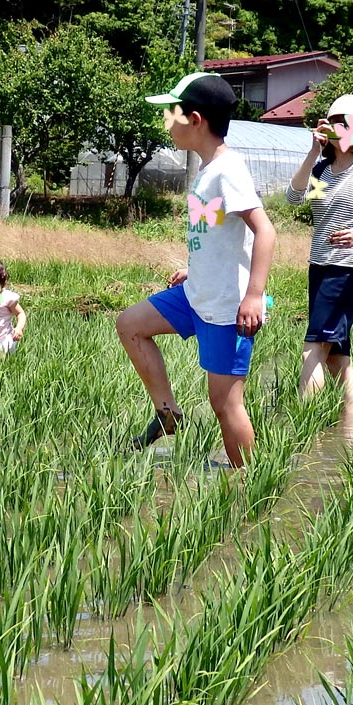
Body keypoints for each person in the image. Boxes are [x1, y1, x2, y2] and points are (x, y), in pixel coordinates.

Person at [117, 72, 276, 468]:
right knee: (130, 325)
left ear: (196, 120)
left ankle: (250, 484)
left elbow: (265, 231)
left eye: (172, 114)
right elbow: (219, 235)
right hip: (196, 294)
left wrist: (254, 294)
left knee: (224, 404)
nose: (168, 122)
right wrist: (194, 270)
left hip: (227, 308)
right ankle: (168, 414)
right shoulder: (207, 171)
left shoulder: (228, 170)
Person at [286, 94, 353, 437]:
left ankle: (305, 433)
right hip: (319, 266)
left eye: (343, 122)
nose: (335, 128)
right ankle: (348, 438)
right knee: (337, 358)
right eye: (332, 121)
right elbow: (293, 197)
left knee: (313, 348)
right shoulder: (321, 169)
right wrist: (313, 151)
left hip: (349, 270)